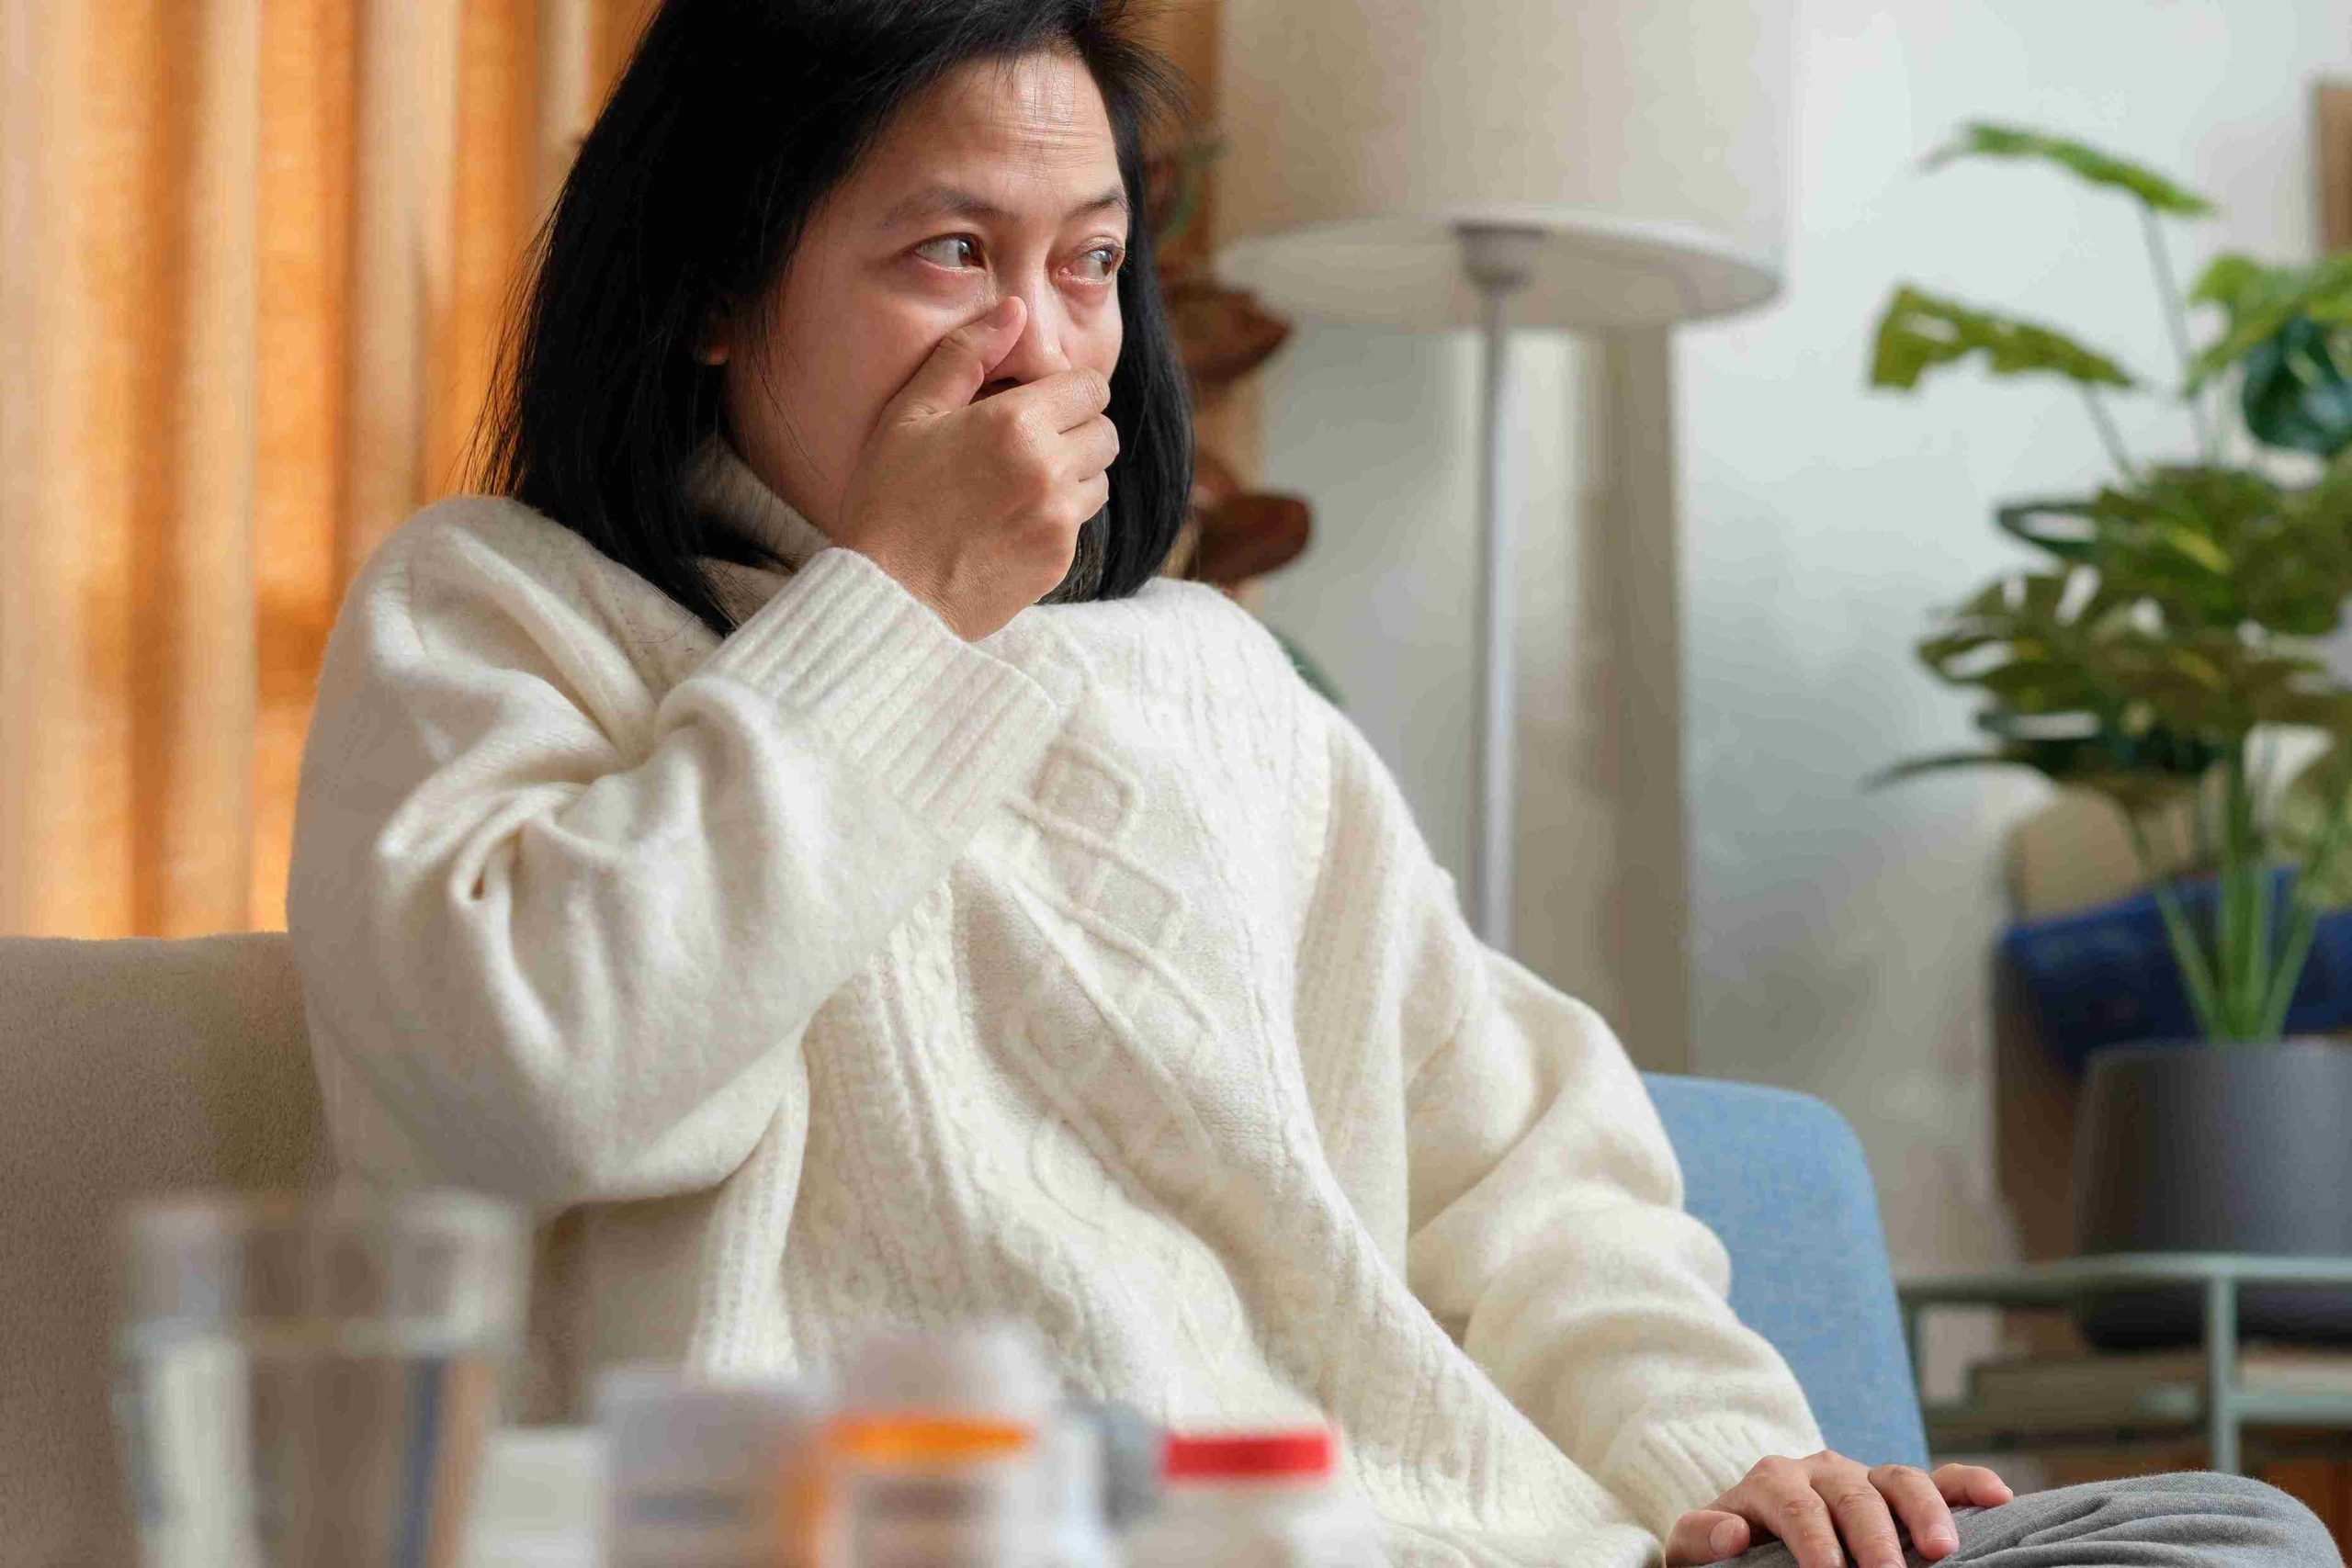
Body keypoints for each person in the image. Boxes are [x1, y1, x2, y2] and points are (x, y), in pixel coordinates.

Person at [283, 3, 2338, 1564]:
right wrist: (899, 607)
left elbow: (1513, 1160)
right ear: (721, 292)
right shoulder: (503, 616)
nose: (1033, 343)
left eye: (1084, 264)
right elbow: (534, 1081)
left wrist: (1730, 1465)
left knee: (2231, 1533)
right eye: (944, 253)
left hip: (1442, 1525)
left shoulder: (1207, 679)